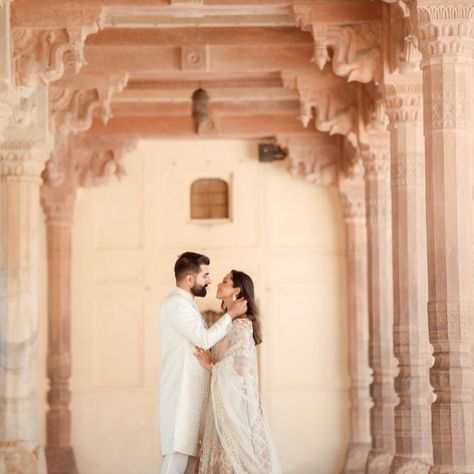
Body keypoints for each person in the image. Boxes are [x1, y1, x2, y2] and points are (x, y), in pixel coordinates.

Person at [159, 252, 247, 474]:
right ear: (190, 279)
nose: (210, 280)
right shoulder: (176, 305)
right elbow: (204, 339)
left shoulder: (187, 304)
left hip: (191, 399)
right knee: (175, 464)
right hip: (181, 396)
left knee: (187, 466)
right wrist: (231, 315)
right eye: (205, 275)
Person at [194, 270, 281, 474]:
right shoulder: (231, 323)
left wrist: (211, 366)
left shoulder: (241, 324)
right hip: (224, 402)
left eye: (225, 281)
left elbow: (241, 366)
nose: (218, 284)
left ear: (236, 290)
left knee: (231, 461)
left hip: (233, 407)